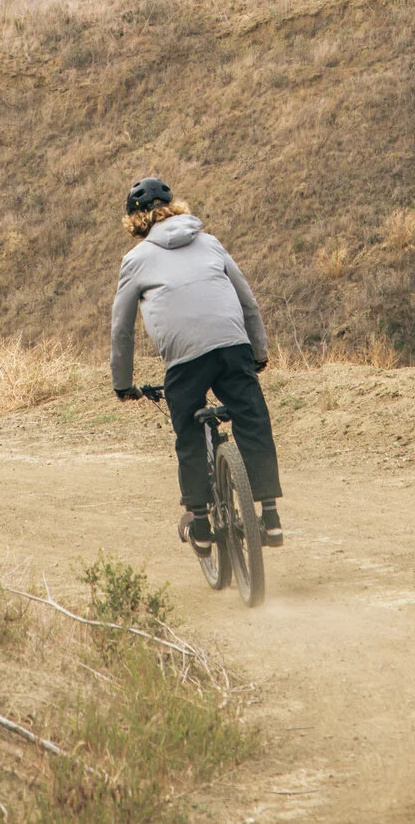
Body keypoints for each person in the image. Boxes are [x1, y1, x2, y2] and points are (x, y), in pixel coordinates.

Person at [109, 176, 285, 550]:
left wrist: (122, 384)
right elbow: (248, 302)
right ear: (174, 208)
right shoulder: (209, 242)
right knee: (252, 419)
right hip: (232, 346)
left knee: (189, 434)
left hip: (184, 360)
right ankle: (270, 519)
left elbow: (121, 329)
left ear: (134, 220)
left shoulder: (135, 259)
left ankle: (202, 526)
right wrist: (258, 354)